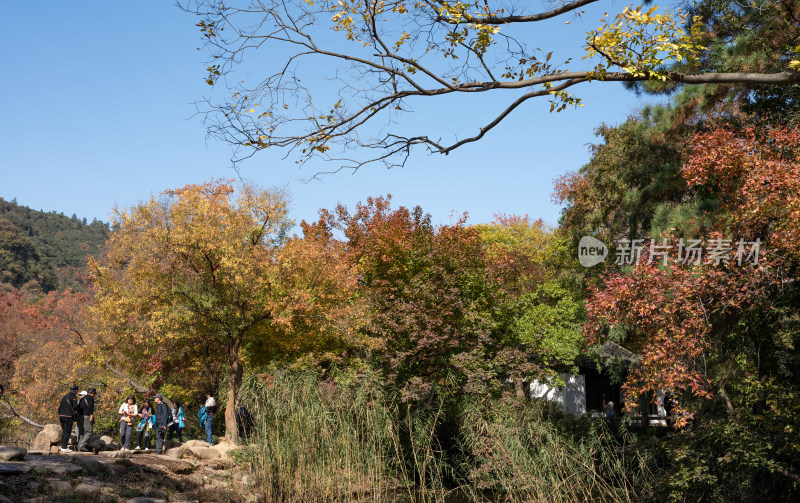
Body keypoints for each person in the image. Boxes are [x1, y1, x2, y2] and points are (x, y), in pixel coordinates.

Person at [57, 385, 79, 453]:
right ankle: (64, 447)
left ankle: (63, 446)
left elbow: (59, 407)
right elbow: (75, 407)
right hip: (68, 416)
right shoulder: (73, 397)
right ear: (76, 391)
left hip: (61, 416)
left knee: (64, 431)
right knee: (67, 432)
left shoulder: (65, 396)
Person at [76, 388, 96, 452]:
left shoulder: (83, 398)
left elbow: (78, 408)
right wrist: (91, 415)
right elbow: (90, 407)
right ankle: (82, 445)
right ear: (93, 393)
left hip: (80, 416)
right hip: (86, 416)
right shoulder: (91, 398)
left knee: (81, 432)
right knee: (89, 432)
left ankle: (79, 447)